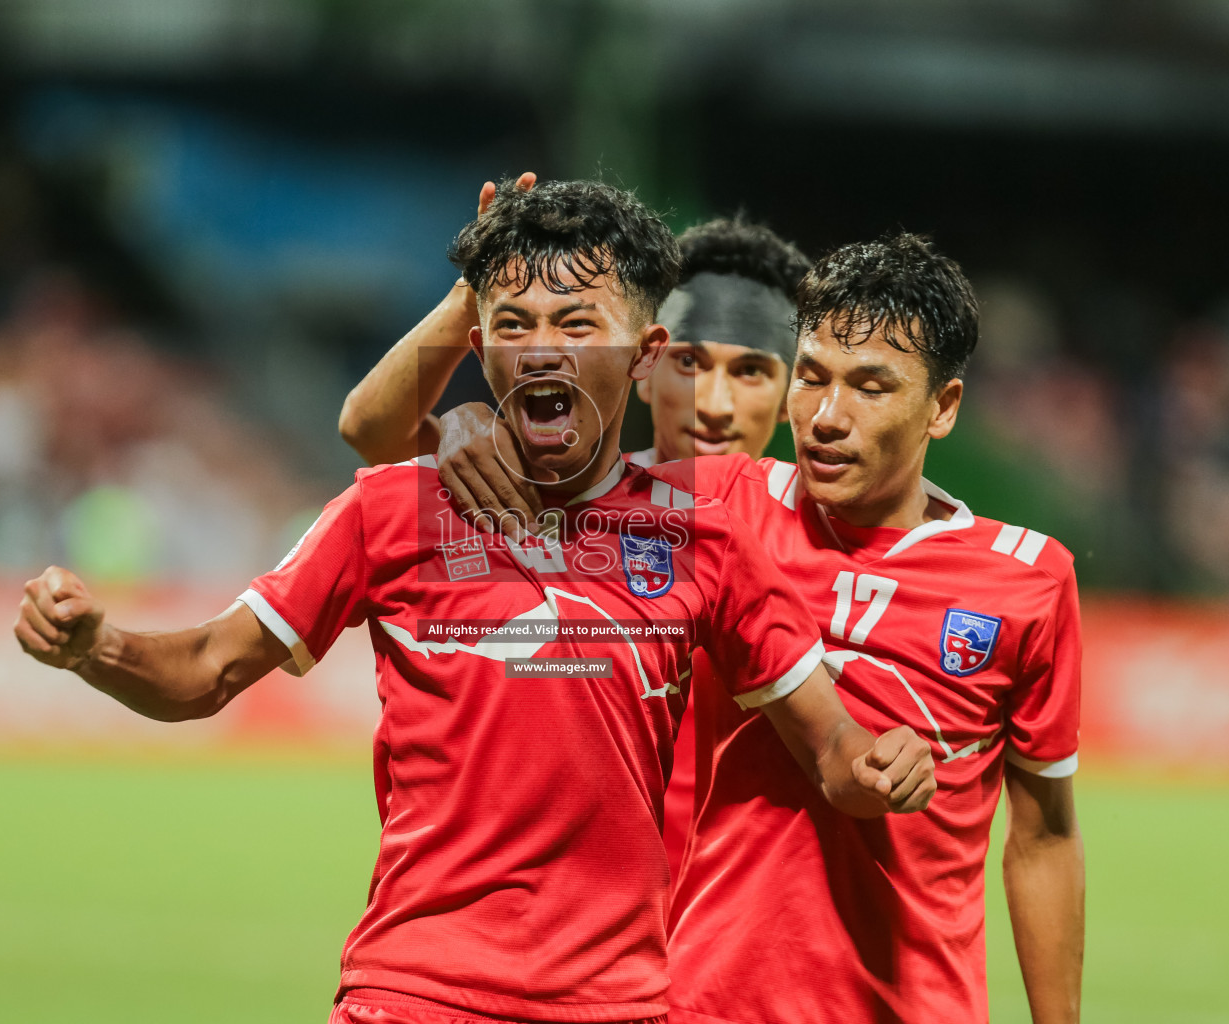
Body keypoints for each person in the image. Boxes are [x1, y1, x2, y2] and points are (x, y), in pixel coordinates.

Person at [11, 179, 936, 1024]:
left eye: (578, 325)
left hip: (620, 1005)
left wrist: (881, 765)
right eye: (515, 323)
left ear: (644, 356)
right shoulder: (392, 509)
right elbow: (207, 669)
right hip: (414, 992)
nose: (543, 348)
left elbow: (834, 751)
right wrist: (98, 645)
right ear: (479, 341)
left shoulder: (708, 534)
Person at [418, 233, 1085, 1022]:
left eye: (871, 387)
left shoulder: (1028, 579)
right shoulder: (718, 504)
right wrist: (464, 416)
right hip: (708, 1001)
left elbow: (1043, 837)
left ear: (942, 408)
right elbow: (396, 445)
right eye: (812, 377)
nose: (828, 417)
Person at [339, 183, 811, 877]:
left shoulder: (824, 536)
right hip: (590, 918)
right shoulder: (550, 490)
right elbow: (369, 430)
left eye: (749, 371)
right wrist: (479, 299)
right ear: (645, 362)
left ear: (790, 395)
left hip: (733, 934)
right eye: (689, 361)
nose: (713, 403)